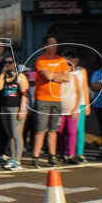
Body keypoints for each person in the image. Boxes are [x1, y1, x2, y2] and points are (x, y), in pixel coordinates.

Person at [31, 35, 71, 168]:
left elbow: (67, 78)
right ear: (45, 46)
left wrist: (54, 76)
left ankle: (52, 156)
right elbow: (46, 76)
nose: (54, 46)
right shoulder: (40, 60)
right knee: (40, 129)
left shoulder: (62, 60)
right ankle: (35, 156)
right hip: (42, 98)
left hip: (56, 99)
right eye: (52, 44)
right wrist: (57, 76)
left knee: (53, 130)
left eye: (56, 44)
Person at [0, 55, 28, 170]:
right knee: (10, 135)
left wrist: (22, 110)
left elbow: (24, 94)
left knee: (16, 134)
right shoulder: (4, 77)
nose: (7, 64)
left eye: (10, 62)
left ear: (15, 64)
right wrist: (2, 73)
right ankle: (12, 158)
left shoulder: (20, 77)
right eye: (6, 62)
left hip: (16, 108)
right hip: (5, 108)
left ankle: (17, 161)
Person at [58, 49, 87, 165]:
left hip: (72, 109)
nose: (68, 67)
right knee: (59, 133)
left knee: (72, 132)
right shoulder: (58, 77)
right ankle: (62, 154)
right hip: (60, 110)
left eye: (70, 65)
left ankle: (71, 154)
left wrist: (76, 108)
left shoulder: (73, 78)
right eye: (66, 65)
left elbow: (80, 93)